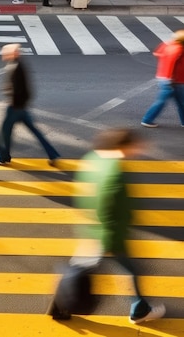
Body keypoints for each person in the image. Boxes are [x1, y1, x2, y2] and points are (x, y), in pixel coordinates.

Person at [73, 129, 165, 324]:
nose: (138, 150)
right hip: (109, 232)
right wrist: (115, 233)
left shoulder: (94, 158)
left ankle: (61, 304)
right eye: (135, 146)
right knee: (128, 270)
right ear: (123, 146)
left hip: (92, 226)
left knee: (82, 268)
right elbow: (114, 205)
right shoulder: (115, 172)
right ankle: (139, 309)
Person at [0, 43, 60, 166]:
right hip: (22, 107)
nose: (3, 55)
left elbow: (16, 89)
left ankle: (2, 157)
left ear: (12, 54)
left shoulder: (13, 67)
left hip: (14, 108)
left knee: (5, 132)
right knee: (35, 131)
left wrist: (9, 94)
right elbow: (26, 87)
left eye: (6, 53)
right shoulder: (20, 64)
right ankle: (52, 154)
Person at [141, 30, 184, 128]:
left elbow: (157, 53)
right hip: (174, 81)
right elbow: (171, 64)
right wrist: (170, 78)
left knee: (180, 102)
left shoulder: (167, 45)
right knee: (164, 101)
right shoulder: (179, 49)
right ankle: (147, 119)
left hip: (165, 78)